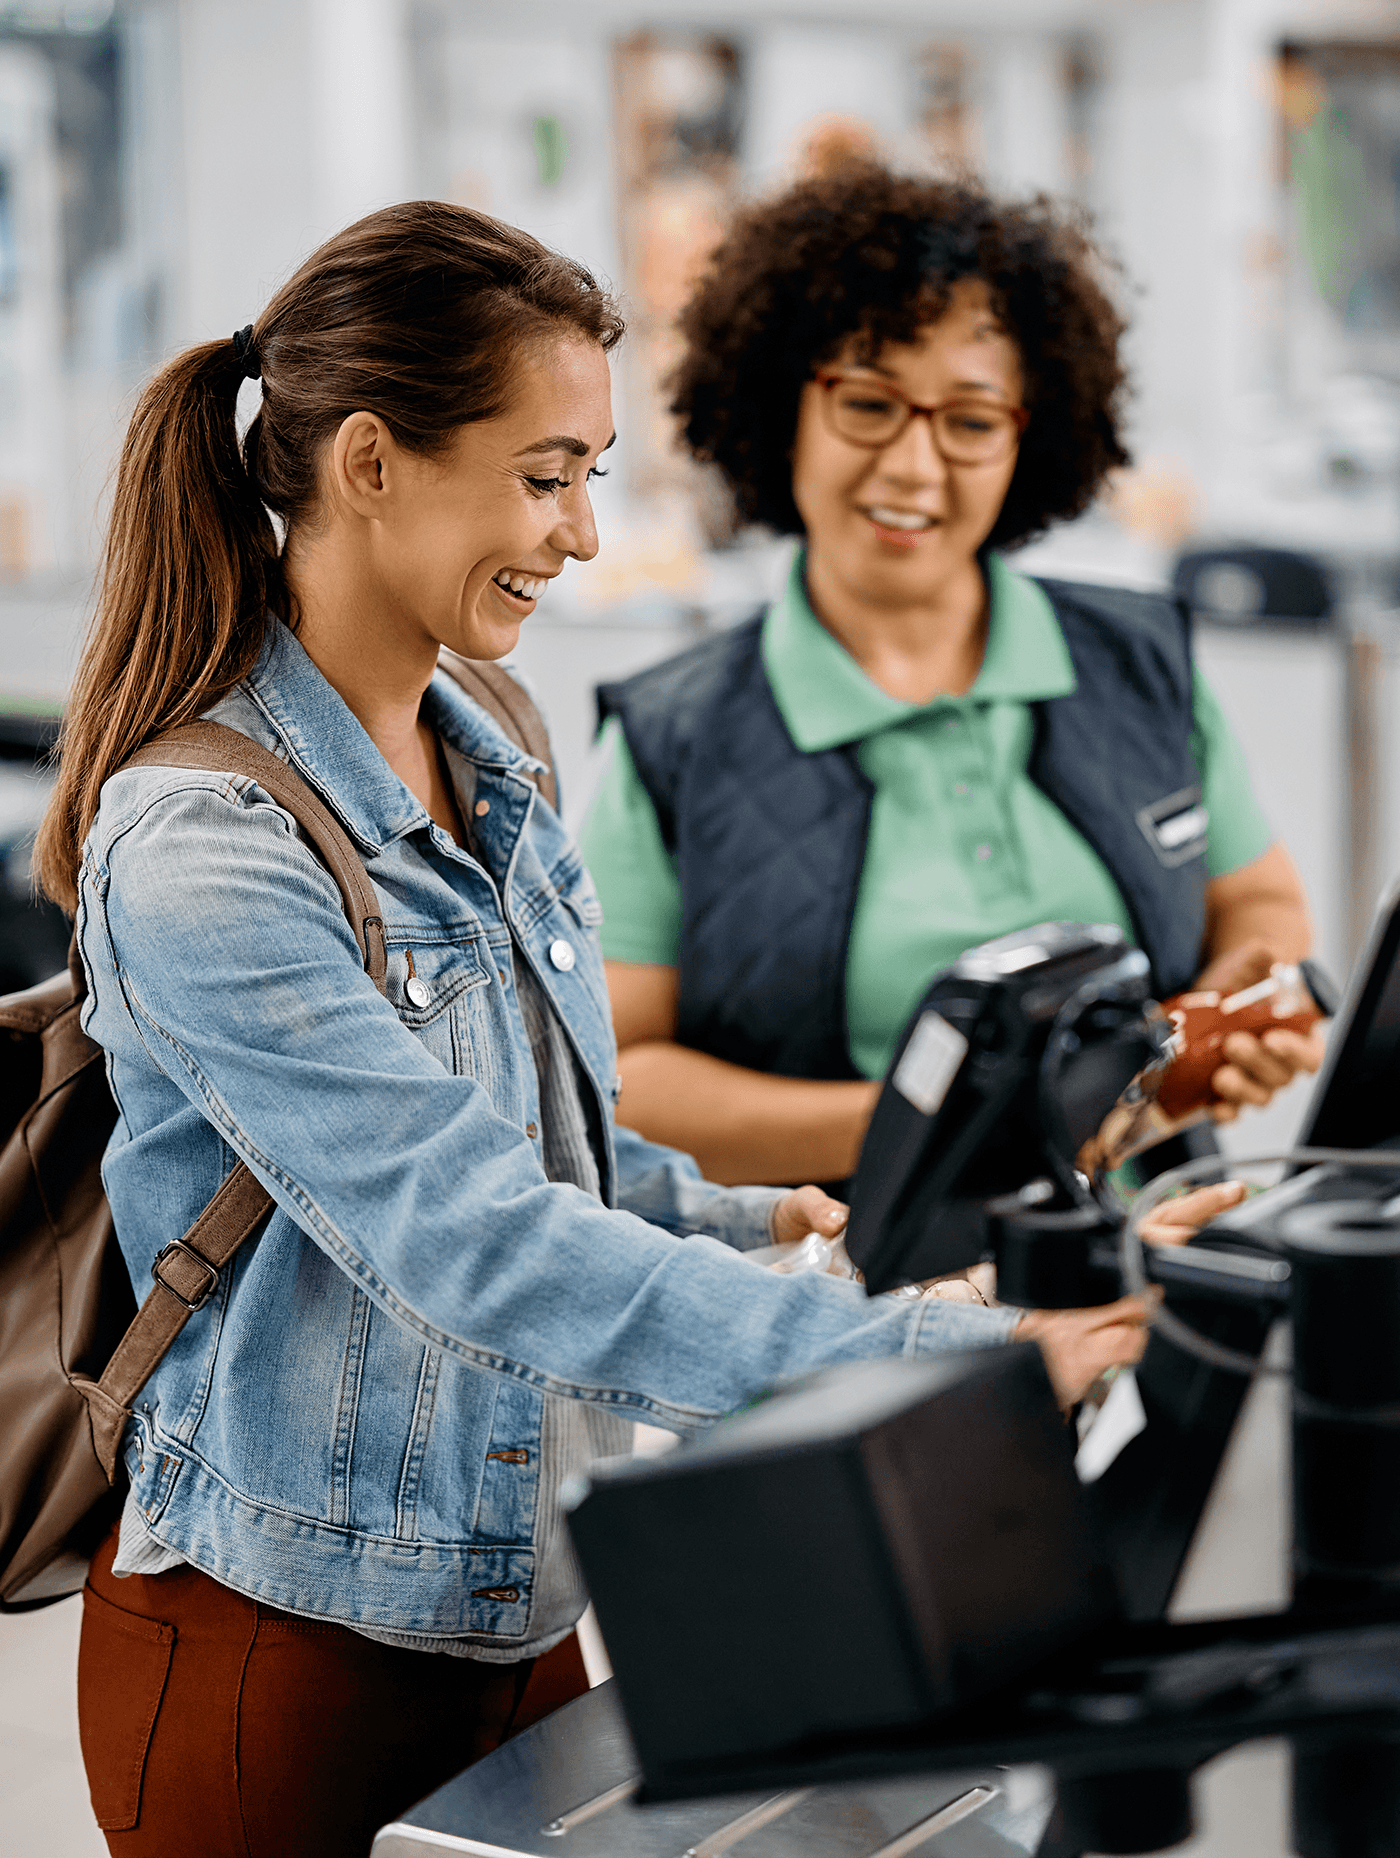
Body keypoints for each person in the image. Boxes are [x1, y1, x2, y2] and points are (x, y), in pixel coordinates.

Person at [31, 202, 1150, 1858]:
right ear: (370, 464)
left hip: (527, 1606)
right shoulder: (203, 844)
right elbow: (468, 1234)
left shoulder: (493, 737)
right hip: (280, 1647)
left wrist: (763, 1216)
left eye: (591, 480)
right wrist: (925, 1358)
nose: (578, 536)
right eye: (545, 475)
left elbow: (540, 1131)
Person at [579, 166, 1325, 1190]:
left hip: (1155, 1281)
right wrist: (948, 1122)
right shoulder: (671, 742)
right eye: (868, 402)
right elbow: (620, 1079)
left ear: (1031, 432)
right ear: (778, 403)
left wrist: (1236, 1012)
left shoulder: (1138, 665)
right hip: (853, 1313)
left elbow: (1260, 904)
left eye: (970, 421)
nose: (914, 468)